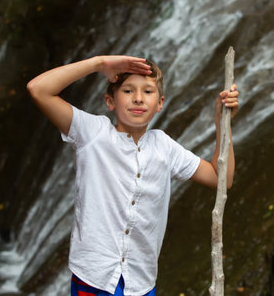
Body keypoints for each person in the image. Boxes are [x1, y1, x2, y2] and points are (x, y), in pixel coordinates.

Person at [27, 55, 239, 296]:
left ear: (160, 103)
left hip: (139, 282)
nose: (138, 98)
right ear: (110, 100)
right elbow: (38, 90)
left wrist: (223, 123)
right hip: (94, 277)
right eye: (128, 90)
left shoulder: (164, 147)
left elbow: (220, 177)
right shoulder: (93, 133)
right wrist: (99, 64)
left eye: (147, 92)